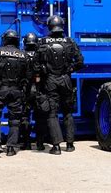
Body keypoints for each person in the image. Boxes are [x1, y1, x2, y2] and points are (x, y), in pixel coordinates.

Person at [34, 15, 84, 154]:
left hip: (50, 81)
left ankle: (56, 147)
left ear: (49, 26)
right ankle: (69, 144)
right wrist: (70, 69)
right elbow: (80, 62)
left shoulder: (43, 42)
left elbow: (36, 65)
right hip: (66, 80)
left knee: (52, 113)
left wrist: (43, 74)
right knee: (68, 112)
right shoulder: (69, 41)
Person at [0, 29, 30, 157]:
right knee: (15, 120)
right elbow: (28, 76)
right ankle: (11, 147)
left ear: (4, 39)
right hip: (16, 90)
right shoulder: (23, 55)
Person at [19, 32, 39, 150]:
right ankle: (40, 143)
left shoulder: (22, 55)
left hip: (25, 90)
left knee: (25, 116)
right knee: (40, 116)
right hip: (39, 89)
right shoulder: (40, 54)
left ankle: (26, 143)